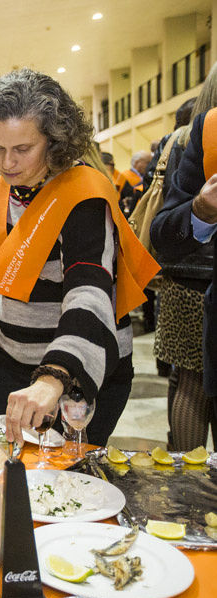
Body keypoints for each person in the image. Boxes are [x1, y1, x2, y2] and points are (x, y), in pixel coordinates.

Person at [0, 69, 159, 446]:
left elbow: (90, 291)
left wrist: (54, 375)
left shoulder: (84, 197)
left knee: (61, 487)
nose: (6, 163)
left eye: (22, 149)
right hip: (11, 359)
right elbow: (15, 246)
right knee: (9, 474)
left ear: (54, 140)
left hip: (73, 368)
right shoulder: (12, 182)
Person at [151, 63, 217, 451]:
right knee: (194, 382)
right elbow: (169, 216)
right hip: (194, 279)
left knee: (187, 381)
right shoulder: (198, 137)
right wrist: (201, 210)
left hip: (182, 280)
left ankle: (186, 476)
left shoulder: (175, 139)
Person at [115, 150, 152, 215]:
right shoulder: (124, 176)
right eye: (148, 162)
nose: (150, 165)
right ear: (137, 162)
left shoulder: (148, 177)